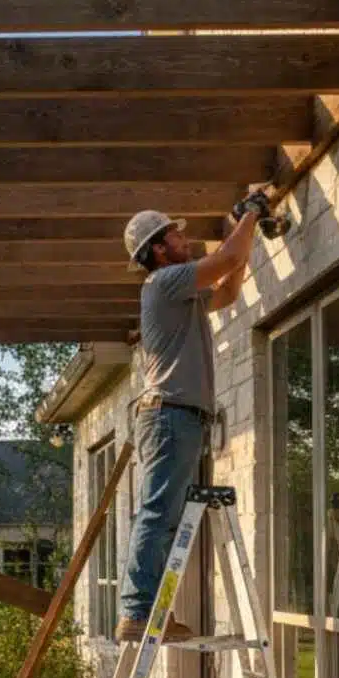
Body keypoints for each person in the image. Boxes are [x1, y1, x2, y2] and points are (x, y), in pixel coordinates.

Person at [115, 199, 262, 643]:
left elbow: (229, 289)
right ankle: (138, 613)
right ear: (158, 250)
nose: (186, 238)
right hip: (170, 416)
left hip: (179, 418)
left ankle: (148, 613)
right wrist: (250, 214)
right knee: (159, 512)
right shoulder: (164, 282)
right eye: (175, 235)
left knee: (167, 515)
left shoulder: (181, 290)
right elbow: (228, 258)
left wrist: (244, 233)